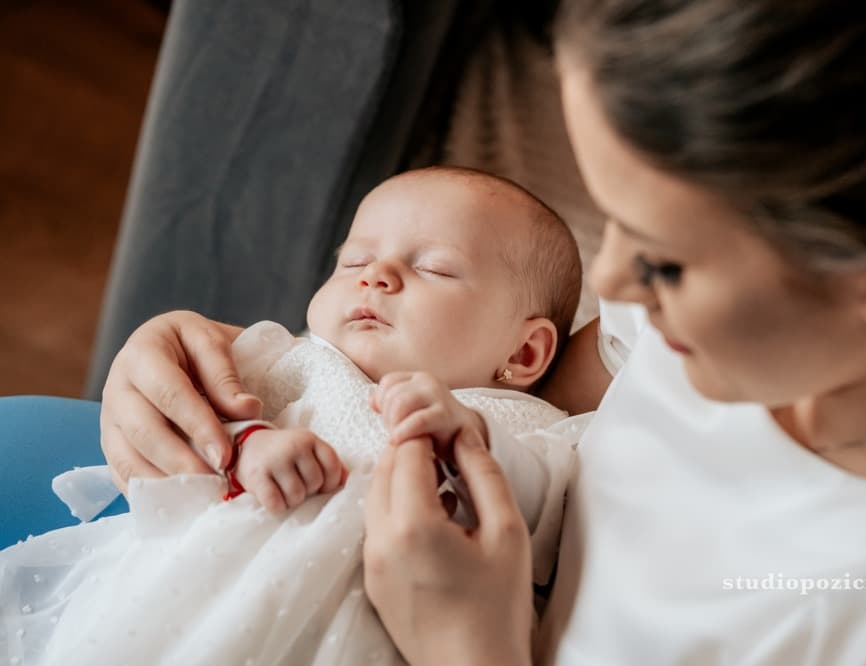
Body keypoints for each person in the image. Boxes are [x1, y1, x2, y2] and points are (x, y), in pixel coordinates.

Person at [96, 0, 866, 664]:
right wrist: (208, 364)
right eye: (615, 223)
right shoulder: (678, 335)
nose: (611, 289)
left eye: (665, 260)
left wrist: (471, 652)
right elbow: (518, 417)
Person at [0, 167, 584, 665]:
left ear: (523, 352)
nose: (375, 275)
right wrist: (249, 444)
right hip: (203, 598)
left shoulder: (530, 427)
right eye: (353, 259)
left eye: (434, 267)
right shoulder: (298, 361)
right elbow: (200, 430)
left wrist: (473, 439)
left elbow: (541, 514)